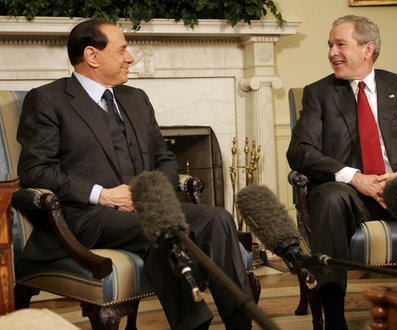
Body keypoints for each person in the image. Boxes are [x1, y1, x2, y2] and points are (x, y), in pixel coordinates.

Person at [17, 19, 251, 330]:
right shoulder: (48, 99)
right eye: (123, 49)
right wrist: (103, 194)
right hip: (86, 216)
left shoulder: (135, 98)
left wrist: (153, 198)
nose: (131, 57)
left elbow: (164, 158)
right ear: (92, 55)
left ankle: (241, 324)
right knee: (164, 232)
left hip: (143, 211)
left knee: (218, 218)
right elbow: (36, 170)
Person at [287, 15, 397, 329]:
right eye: (330, 45)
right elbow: (299, 150)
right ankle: (334, 318)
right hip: (348, 193)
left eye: (340, 44)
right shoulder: (319, 93)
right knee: (330, 198)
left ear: (367, 48)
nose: (332, 52)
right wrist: (353, 176)